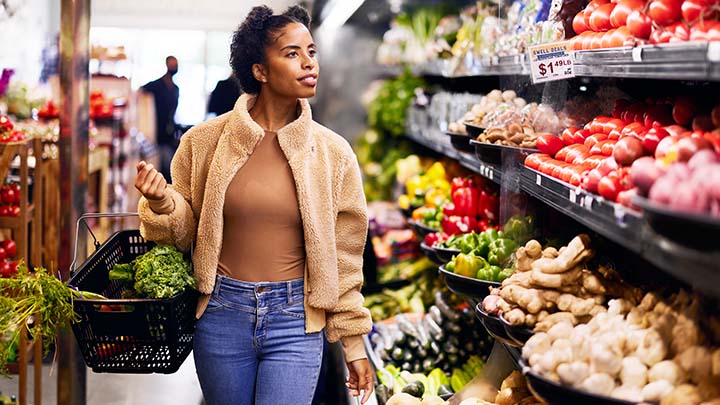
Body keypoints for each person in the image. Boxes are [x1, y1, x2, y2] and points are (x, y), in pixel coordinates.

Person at [133, 5, 374, 405]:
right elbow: (184, 231)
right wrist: (161, 202)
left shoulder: (333, 153)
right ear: (260, 71)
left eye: (311, 52)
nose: (309, 63)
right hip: (221, 313)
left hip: (297, 319)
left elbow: (345, 258)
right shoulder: (203, 142)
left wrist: (353, 345)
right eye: (292, 53)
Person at [141, 55, 180, 181]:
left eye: (176, 65)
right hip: (157, 133)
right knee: (164, 167)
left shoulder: (175, 89)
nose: (174, 67)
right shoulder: (156, 85)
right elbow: (141, 92)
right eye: (172, 64)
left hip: (170, 134)